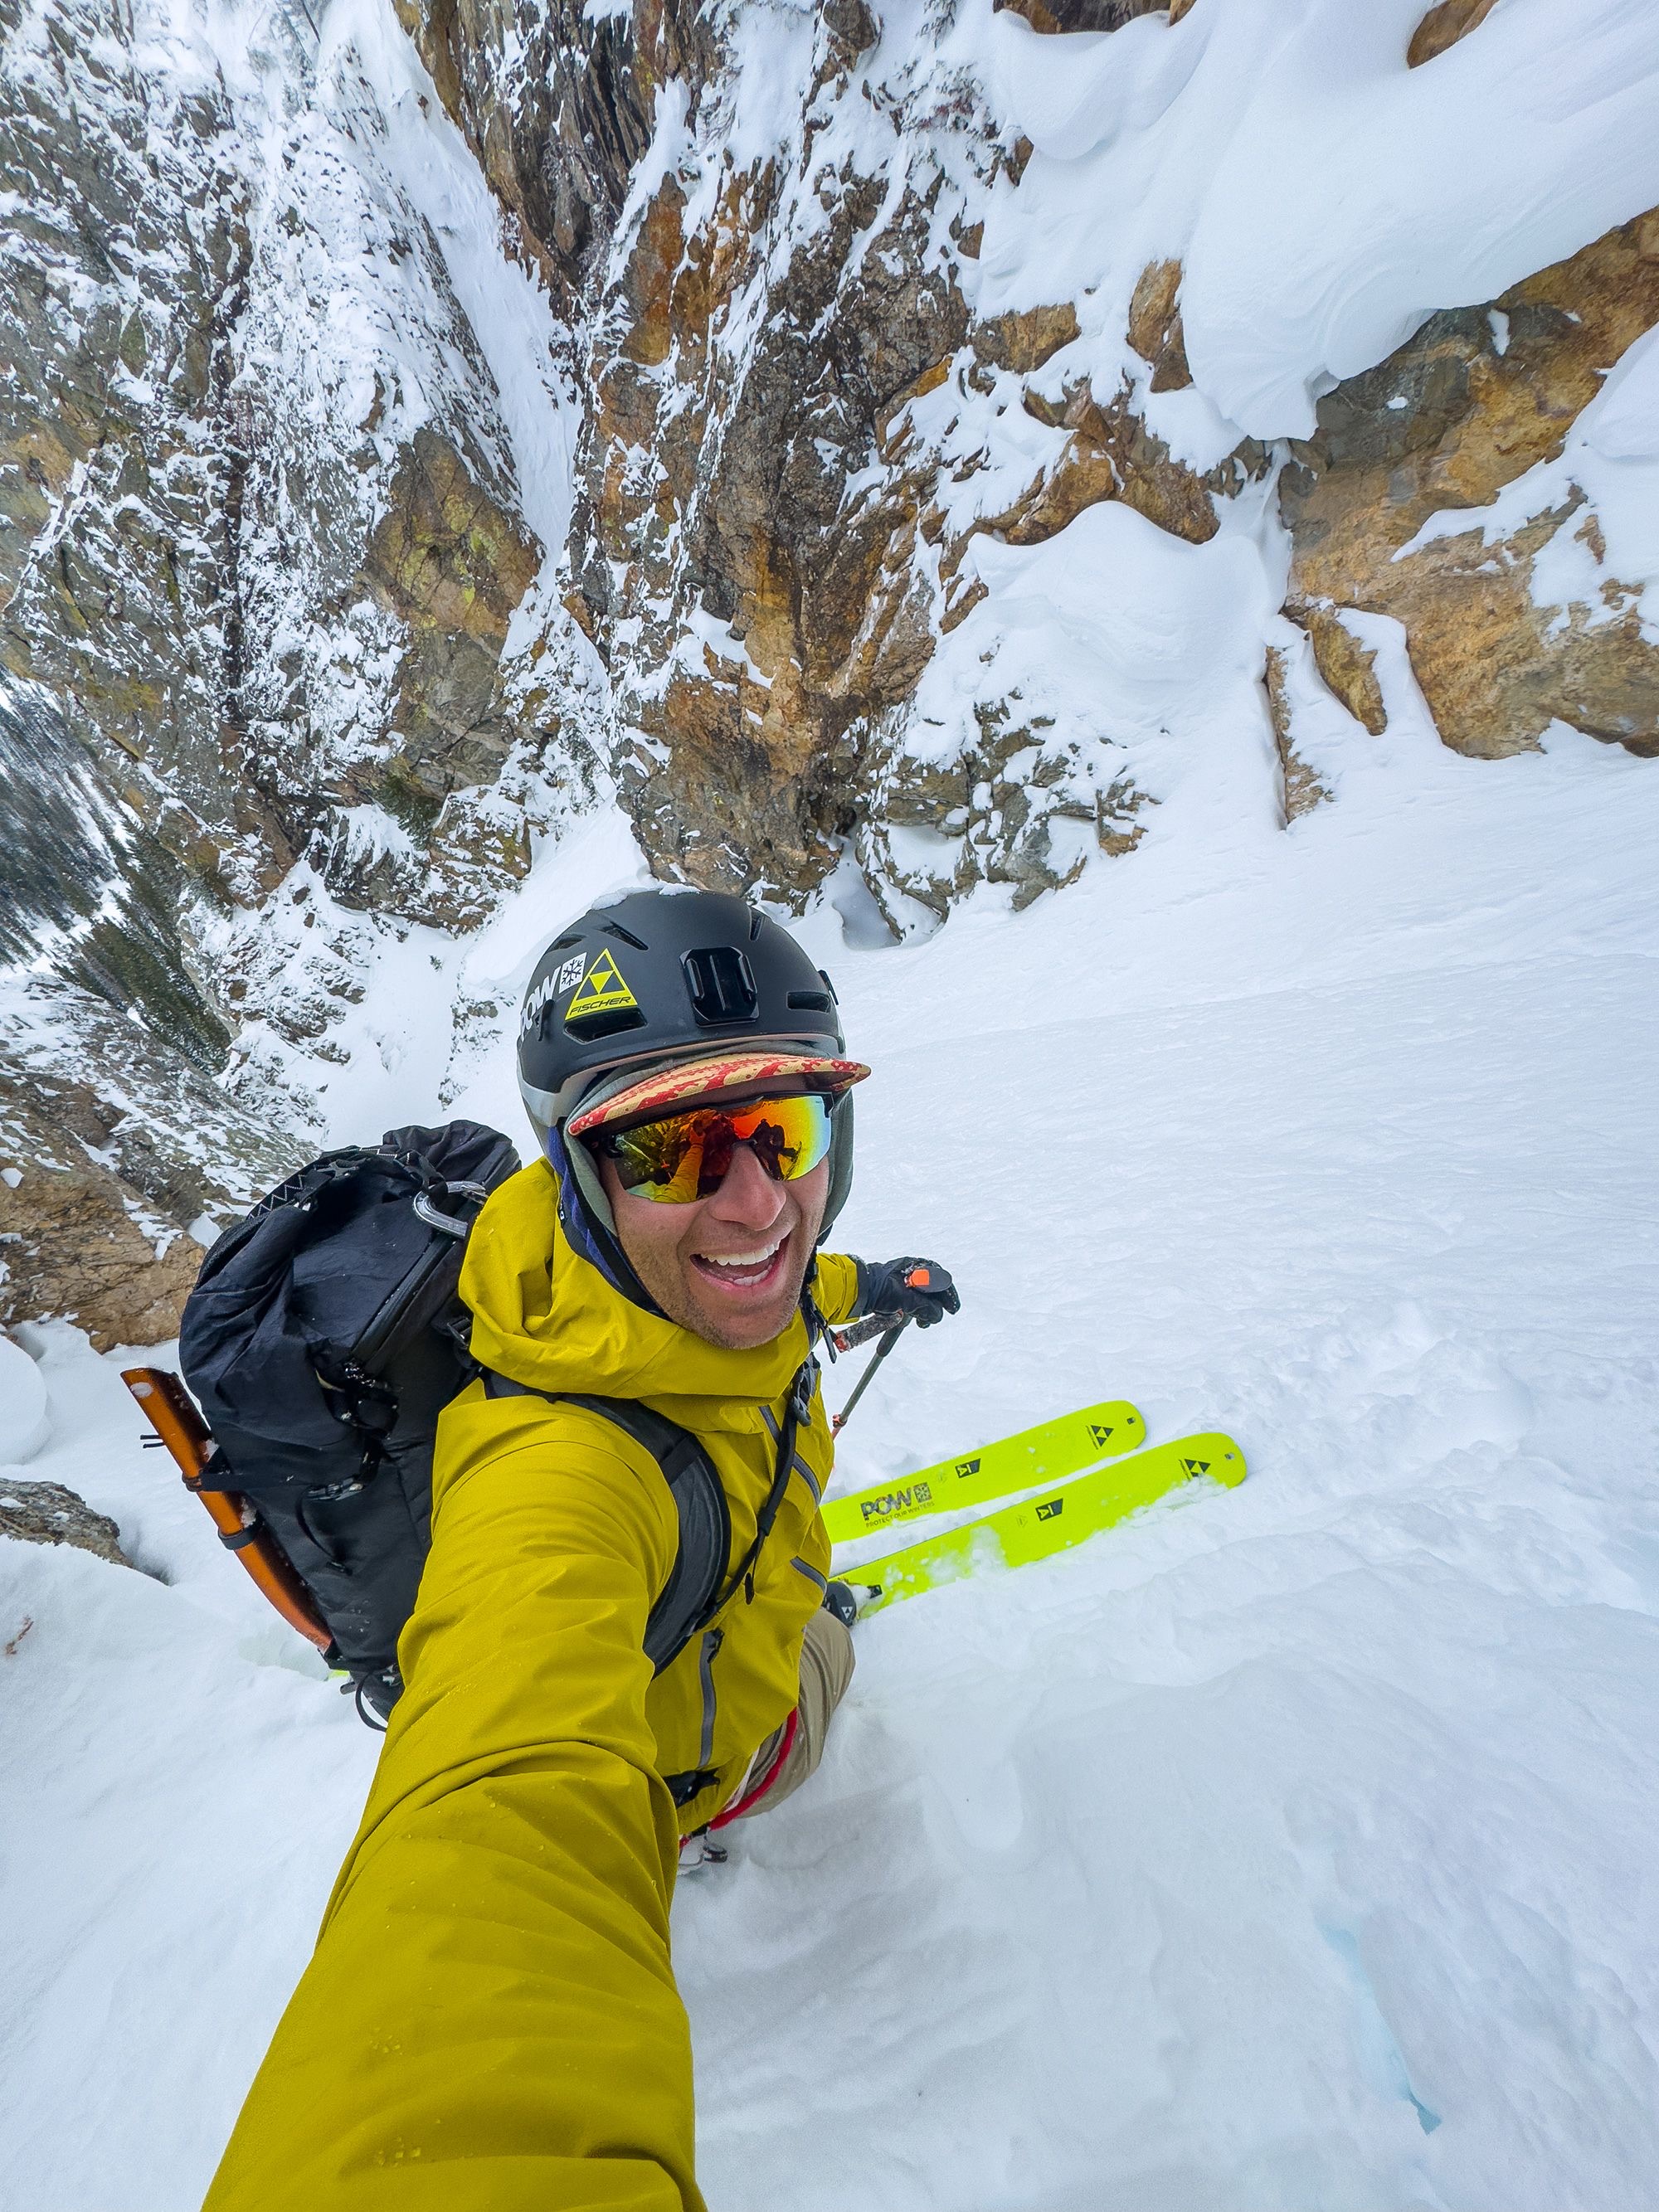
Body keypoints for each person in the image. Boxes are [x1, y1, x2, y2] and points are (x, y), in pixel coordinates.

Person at [204, 887, 959, 2211]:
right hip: (700, 1758)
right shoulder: (551, 1478)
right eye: (671, 1151)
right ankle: (806, 1650)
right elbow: (496, 1814)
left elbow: (777, 1280)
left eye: (785, 1129)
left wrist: (869, 1283)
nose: (754, 1202)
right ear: (580, 1174)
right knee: (823, 1655)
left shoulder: (653, 1278)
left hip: (715, 1618)